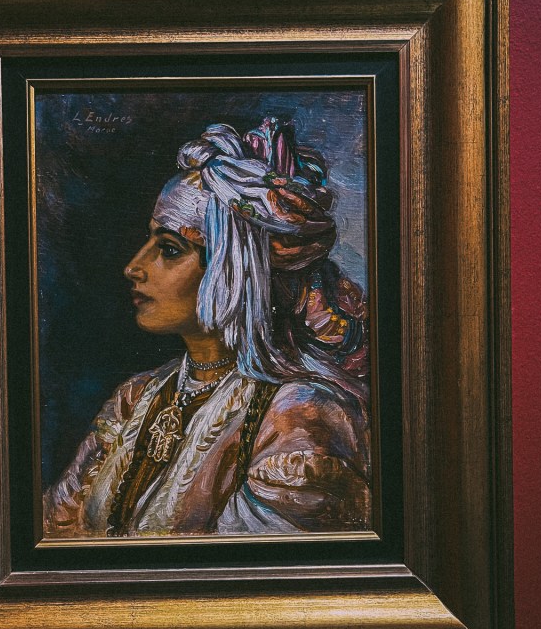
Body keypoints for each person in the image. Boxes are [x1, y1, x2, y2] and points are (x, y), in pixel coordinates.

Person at [43, 117, 372, 538]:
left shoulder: (300, 417)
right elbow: (57, 531)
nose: (133, 267)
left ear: (234, 271)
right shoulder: (135, 398)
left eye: (169, 249)